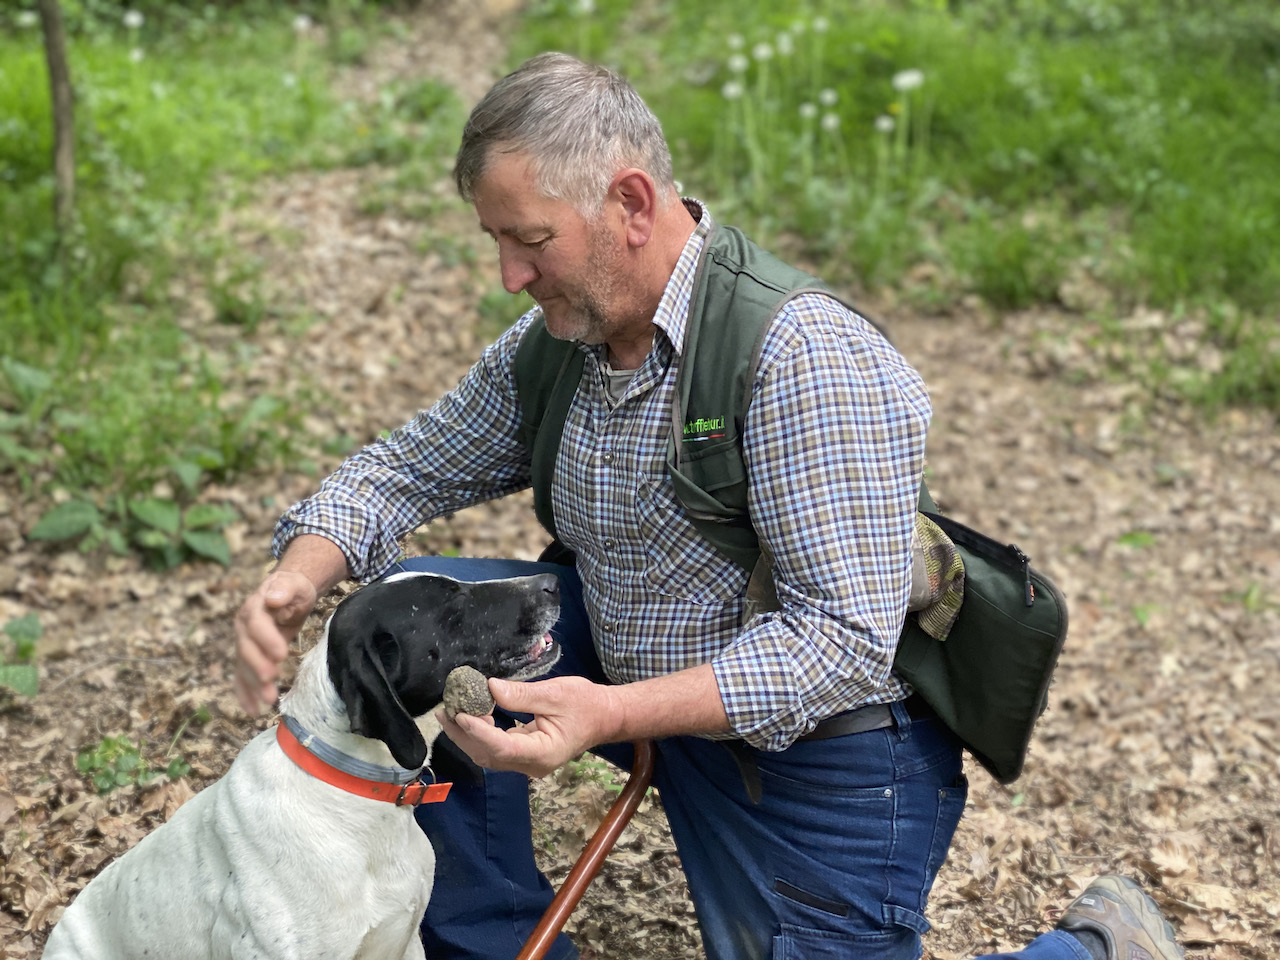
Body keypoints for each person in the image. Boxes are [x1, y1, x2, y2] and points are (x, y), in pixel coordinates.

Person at [233, 52, 1183, 960]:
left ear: (631, 204)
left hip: (815, 752)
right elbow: (408, 466)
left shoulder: (802, 355)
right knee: (412, 636)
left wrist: (609, 714)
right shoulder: (566, 336)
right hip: (627, 668)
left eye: (530, 242)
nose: (509, 278)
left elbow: (839, 642)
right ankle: (498, 945)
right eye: (498, 243)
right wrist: (301, 570)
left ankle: (1097, 945)